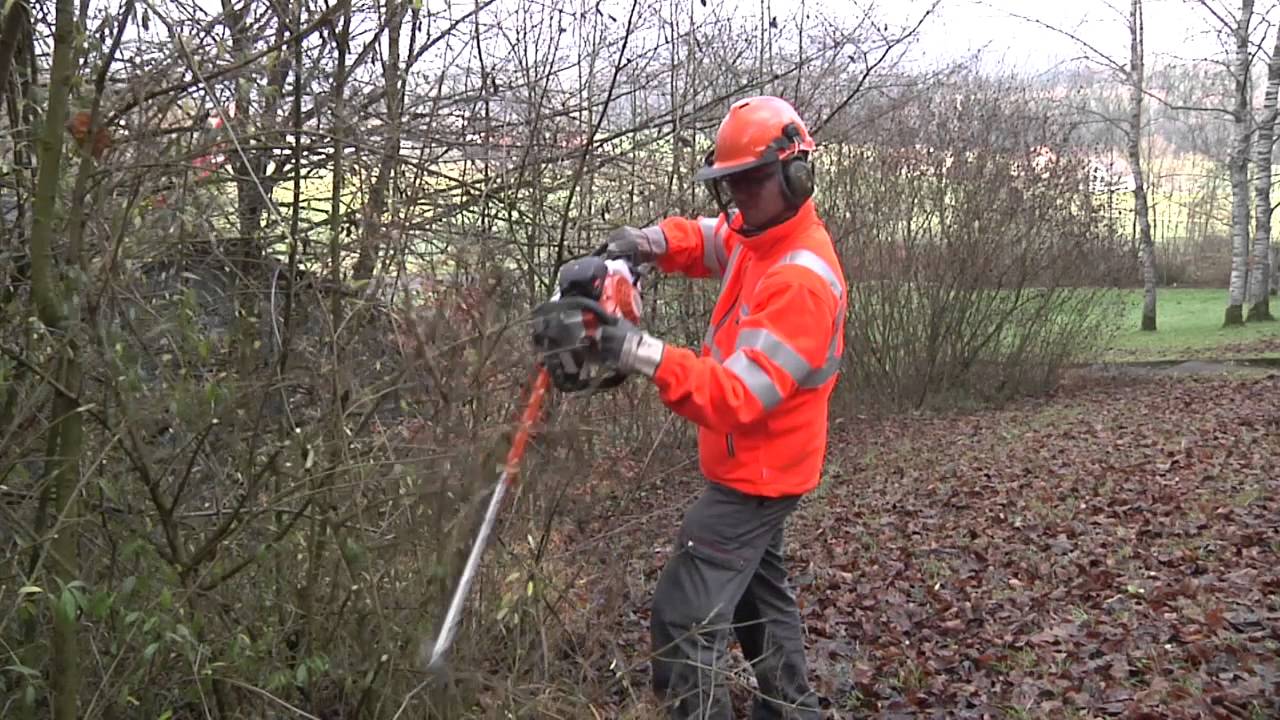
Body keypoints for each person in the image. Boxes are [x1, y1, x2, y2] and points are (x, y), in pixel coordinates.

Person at [535, 95, 846, 719]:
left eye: (752, 182)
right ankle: (794, 710)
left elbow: (735, 398)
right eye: (729, 185)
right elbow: (711, 239)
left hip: (757, 475)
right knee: (762, 601)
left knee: (683, 625)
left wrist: (637, 349)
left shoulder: (800, 280)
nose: (737, 199)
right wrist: (646, 242)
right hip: (767, 463)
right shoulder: (759, 235)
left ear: (795, 175)